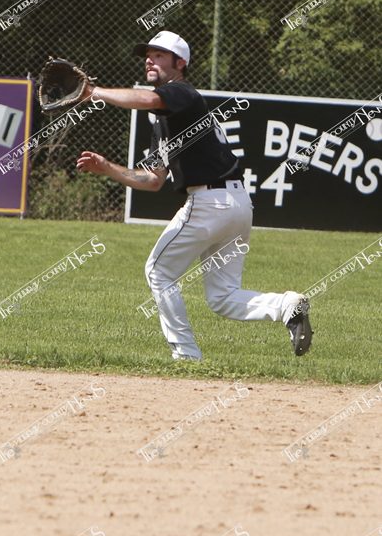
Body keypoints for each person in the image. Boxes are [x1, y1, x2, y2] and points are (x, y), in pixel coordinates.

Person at [76, 30, 313, 360]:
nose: (149, 60)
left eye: (159, 55)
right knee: (224, 297)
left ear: (180, 63)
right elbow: (153, 180)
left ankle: (186, 355)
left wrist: (93, 92)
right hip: (237, 205)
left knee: (159, 272)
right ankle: (287, 305)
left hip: (210, 203)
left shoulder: (183, 93)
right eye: (148, 55)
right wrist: (108, 169)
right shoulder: (164, 122)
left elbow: (147, 99)